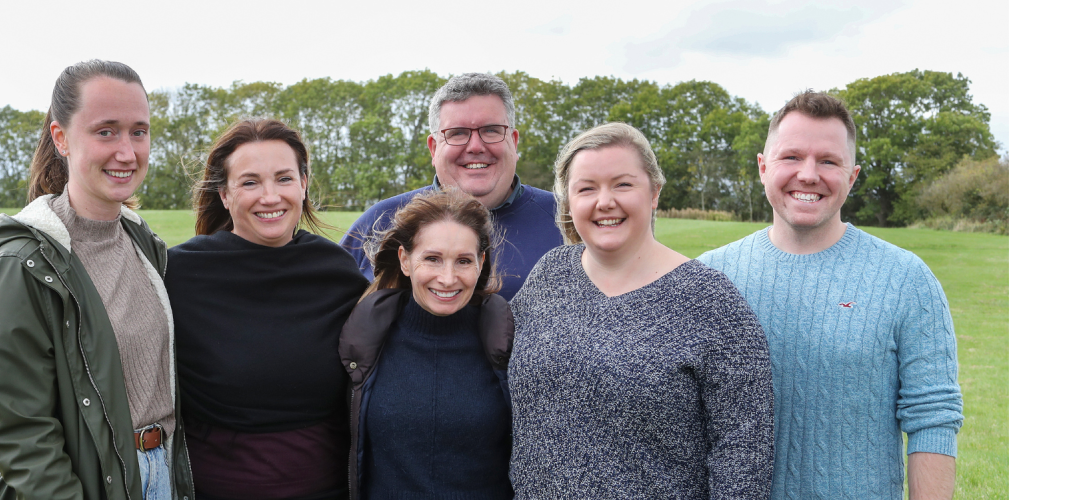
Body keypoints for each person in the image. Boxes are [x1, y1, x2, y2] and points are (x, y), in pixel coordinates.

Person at [698, 90, 964, 499]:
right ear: (763, 167)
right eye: (791, 157)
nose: (808, 174)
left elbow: (933, 418)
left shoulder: (906, 279)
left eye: (828, 161)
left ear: (852, 176)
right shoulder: (708, 278)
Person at [508, 122, 774, 498]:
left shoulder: (710, 300)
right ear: (568, 202)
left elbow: (743, 449)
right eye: (587, 188)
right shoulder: (550, 275)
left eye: (622, 184)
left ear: (654, 193)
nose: (605, 201)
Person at [0, 59, 192, 500]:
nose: (128, 152)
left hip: (161, 477)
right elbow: (22, 433)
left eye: (139, 131)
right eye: (106, 131)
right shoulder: (24, 262)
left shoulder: (143, 243)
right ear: (61, 138)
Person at [164, 118, 368, 500]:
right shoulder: (178, 274)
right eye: (250, 182)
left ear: (304, 184)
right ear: (224, 194)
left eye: (284, 179)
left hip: (329, 491)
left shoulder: (337, 272)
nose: (270, 196)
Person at [338, 188, 514, 499]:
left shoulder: (504, 344)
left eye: (463, 261)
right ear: (405, 260)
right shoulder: (365, 340)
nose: (447, 278)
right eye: (432, 259)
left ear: (481, 262)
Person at [338, 72, 563, 300]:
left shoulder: (567, 221)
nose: (475, 146)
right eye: (457, 133)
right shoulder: (380, 222)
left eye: (491, 131)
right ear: (433, 149)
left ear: (513, 142)